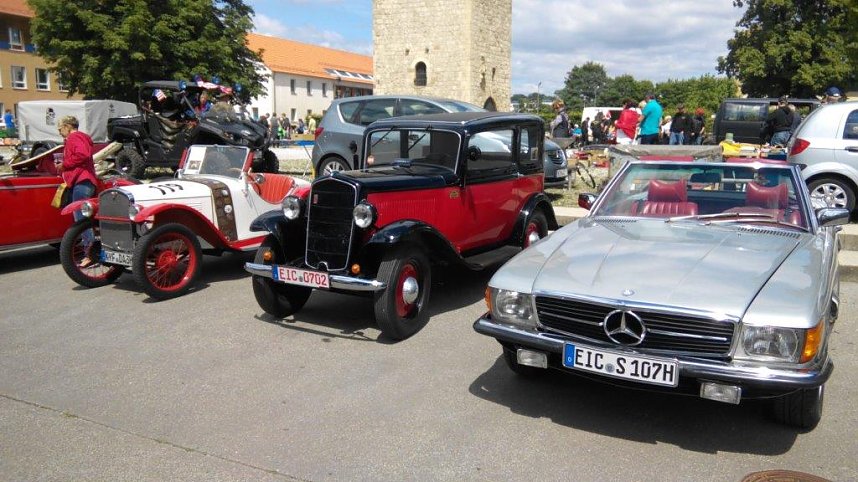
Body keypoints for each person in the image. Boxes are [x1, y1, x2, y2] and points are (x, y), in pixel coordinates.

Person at [56, 115, 98, 267]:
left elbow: (82, 155)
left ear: (67, 126)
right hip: (85, 181)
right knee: (83, 217)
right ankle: (91, 250)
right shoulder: (80, 138)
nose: (60, 132)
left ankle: (90, 252)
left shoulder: (74, 138)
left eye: (60, 129)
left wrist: (65, 164)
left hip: (82, 181)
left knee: (81, 219)